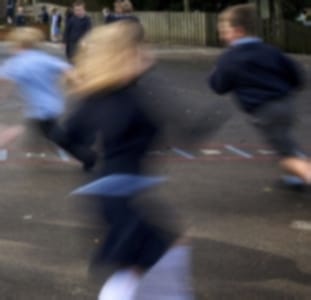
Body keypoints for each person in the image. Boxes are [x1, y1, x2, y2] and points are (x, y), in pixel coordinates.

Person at [63, 21, 193, 300]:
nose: (147, 52)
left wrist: (90, 157)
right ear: (123, 56)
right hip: (124, 196)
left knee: (142, 264)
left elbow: (68, 135)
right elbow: (168, 130)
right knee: (156, 258)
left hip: (112, 190)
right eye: (139, 49)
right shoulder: (126, 99)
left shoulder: (100, 95)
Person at [209, 4, 311, 187]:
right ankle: (297, 178)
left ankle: (304, 173)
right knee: (285, 141)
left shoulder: (230, 58)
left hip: (265, 111)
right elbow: (297, 75)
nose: (221, 36)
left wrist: (216, 72)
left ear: (238, 31)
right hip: (286, 104)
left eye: (225, 31)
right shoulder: (271, 50)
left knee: (285, 155)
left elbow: (219, 86)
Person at [0, 27, 96, 171]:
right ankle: (37, 147)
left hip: (41, 109)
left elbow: (4, 81)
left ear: (18, 45)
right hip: (53, 104)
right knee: (44, 132)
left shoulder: (17, 63)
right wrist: (78, 86)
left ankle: (88, 156)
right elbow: (68, 70)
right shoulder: (42, 58)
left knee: (57, 137)